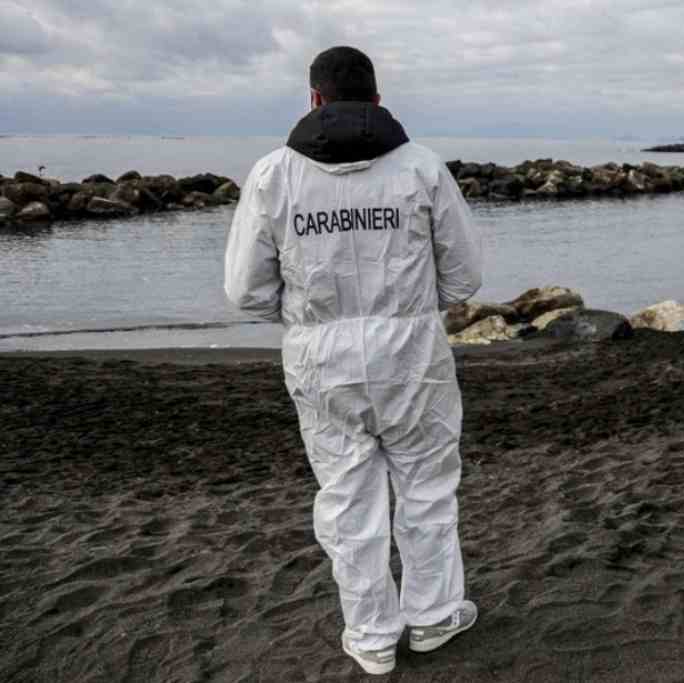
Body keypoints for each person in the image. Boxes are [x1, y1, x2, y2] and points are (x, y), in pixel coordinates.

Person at [224, 46, 483, 676]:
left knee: (347, 497)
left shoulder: (273, 175)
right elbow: (465, 276)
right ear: (376, 97)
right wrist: (412, 308)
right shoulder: (421, 169)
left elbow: (246, 291)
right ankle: (434, 614)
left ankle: (369, 636)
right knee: (425, 486)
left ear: (314, 98)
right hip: (412, 352)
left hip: (321, 358)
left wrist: (310, 319)